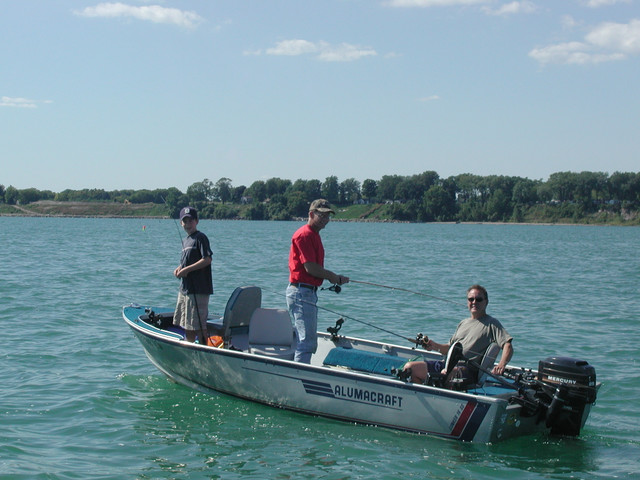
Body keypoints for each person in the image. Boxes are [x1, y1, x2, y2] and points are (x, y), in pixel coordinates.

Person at [403, 285, 513, 385]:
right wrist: (433, 345)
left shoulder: (492, 323)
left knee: (446, 373)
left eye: (478, 299)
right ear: (467, 302)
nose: (474, 302)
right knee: (410, 368)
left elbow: (507, 345)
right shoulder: (463, 323)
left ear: (486, 302)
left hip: (467, 370)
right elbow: (449, 349)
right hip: (447, 364)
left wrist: (501, 365)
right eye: (471, 299)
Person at [286, 199, 350, 363]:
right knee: (307, 343)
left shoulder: (314, 235)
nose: (325, 219)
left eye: (328, 216)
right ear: (311, 214)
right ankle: (299, 378)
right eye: (321, 215)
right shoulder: (305, 235)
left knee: (306, 341)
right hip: (301, 292)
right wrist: (334, 277)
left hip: (307, 292)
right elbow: (311, 268)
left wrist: (334, 278)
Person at [173, 206, 213, 343]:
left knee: (199, 326)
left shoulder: (200, 238)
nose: (188, 224)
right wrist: (179, 269)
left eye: (191, 221)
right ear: (181, 223)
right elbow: (187, 261)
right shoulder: (185, 241)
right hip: (185, 289)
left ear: (196, 221)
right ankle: (189, 348)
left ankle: (204, 350)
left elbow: (207, 259)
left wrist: (187, 270)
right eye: (185, 221)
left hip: (198, 290)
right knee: (187, 325)